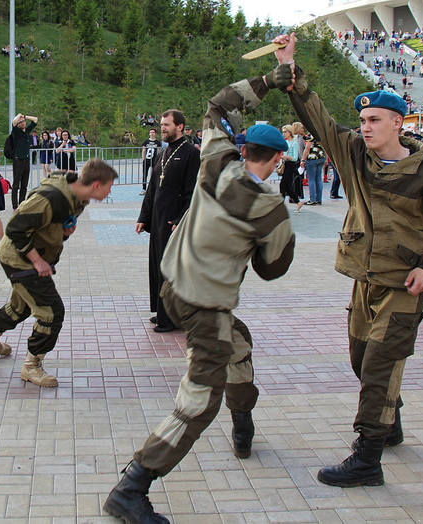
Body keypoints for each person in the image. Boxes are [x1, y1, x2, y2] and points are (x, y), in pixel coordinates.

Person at [276, 32, 423, 487]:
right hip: (365, 280)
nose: (365, 127)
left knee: (380, 366)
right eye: (363, 120)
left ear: (398, 123)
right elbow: (319, 119)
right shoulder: (355, 156)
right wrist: (290, 69)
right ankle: (390, 422)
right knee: (362, 360)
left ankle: (367, 459)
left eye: (375, 120)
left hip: (404, 284)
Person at [104, 70, 297, 524]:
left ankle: (242, 421)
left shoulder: (216, 160)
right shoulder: (270, 208)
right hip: (206, 304)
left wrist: (272, 78)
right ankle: (133, 486)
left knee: (239, 344)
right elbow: (273, 268)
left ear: (243, 149)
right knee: (199, 400)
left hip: (171, 289)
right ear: (277, 160)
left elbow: (218, 104)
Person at [0, 160, 118, 386]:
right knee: (51, 311)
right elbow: (15, 229)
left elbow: (50, 227)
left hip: (29, 256)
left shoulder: (78, 198)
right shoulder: (51, 197)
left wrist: (65, 233)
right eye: (109, 187)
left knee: (21, 306)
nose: (110, 192)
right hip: (19, 259)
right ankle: (31, 366)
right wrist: (37, 261)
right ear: (97, 184)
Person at [136, 109, 200, 333]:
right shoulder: (164, 152)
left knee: (170, 270)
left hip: (174, 222)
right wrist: (143, 217)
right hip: (158, 219)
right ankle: (162, 311)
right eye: (162, 125)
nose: (162, 128)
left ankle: (171, 317)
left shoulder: (191, 153)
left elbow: (192, 192)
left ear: (179, 126)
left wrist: (180, 218)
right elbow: (153, 188)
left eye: (166, 125)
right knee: (157, 266)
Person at [10, 113, 38, 209]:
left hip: (26, 160)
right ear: (18, 124)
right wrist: (19, 115)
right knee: (16, 184)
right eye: (20, 122)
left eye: (23, 121)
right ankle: (15, 206)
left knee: (24, 184)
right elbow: (13, 122)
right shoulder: (16, 132)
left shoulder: (27, 131)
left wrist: (25, 116)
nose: (23, 123)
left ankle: (22, 204)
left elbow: (35, 119)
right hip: (18, 161)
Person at [299, 132, 326, 206]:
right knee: (319, 178)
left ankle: (312, 199)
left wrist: (303, 160)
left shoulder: (311, 135)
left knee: (311, 179)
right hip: (321, 157)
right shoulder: (322, 134)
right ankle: (319, 199)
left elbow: (307, 148)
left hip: (312, 158)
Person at [279, 125, 301, 204]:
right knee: (287, 186)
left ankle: (281, 203)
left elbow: (295, 158)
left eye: (285, 132)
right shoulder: (285, 142)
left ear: (290, 132)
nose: (284, 134)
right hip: (285, 164)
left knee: (283, 184)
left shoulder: (294, 143)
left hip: (291, 165)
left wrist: (287, 157)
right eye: (283, 132)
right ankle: (297, 201)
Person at [140, 128, 162, 195]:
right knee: (145, 174)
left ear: (155, 133)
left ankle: (153, 189)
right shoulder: (146, 141)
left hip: (154, 161)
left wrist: (158, 160)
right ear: (149, 133)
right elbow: (143, 150)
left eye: (153, 132)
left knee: (154, 175)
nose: (152, 133)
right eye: (151, 132)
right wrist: (143, 159)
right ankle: (144, 189)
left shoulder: (158, 142)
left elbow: (159, 152)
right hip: (147, 160)